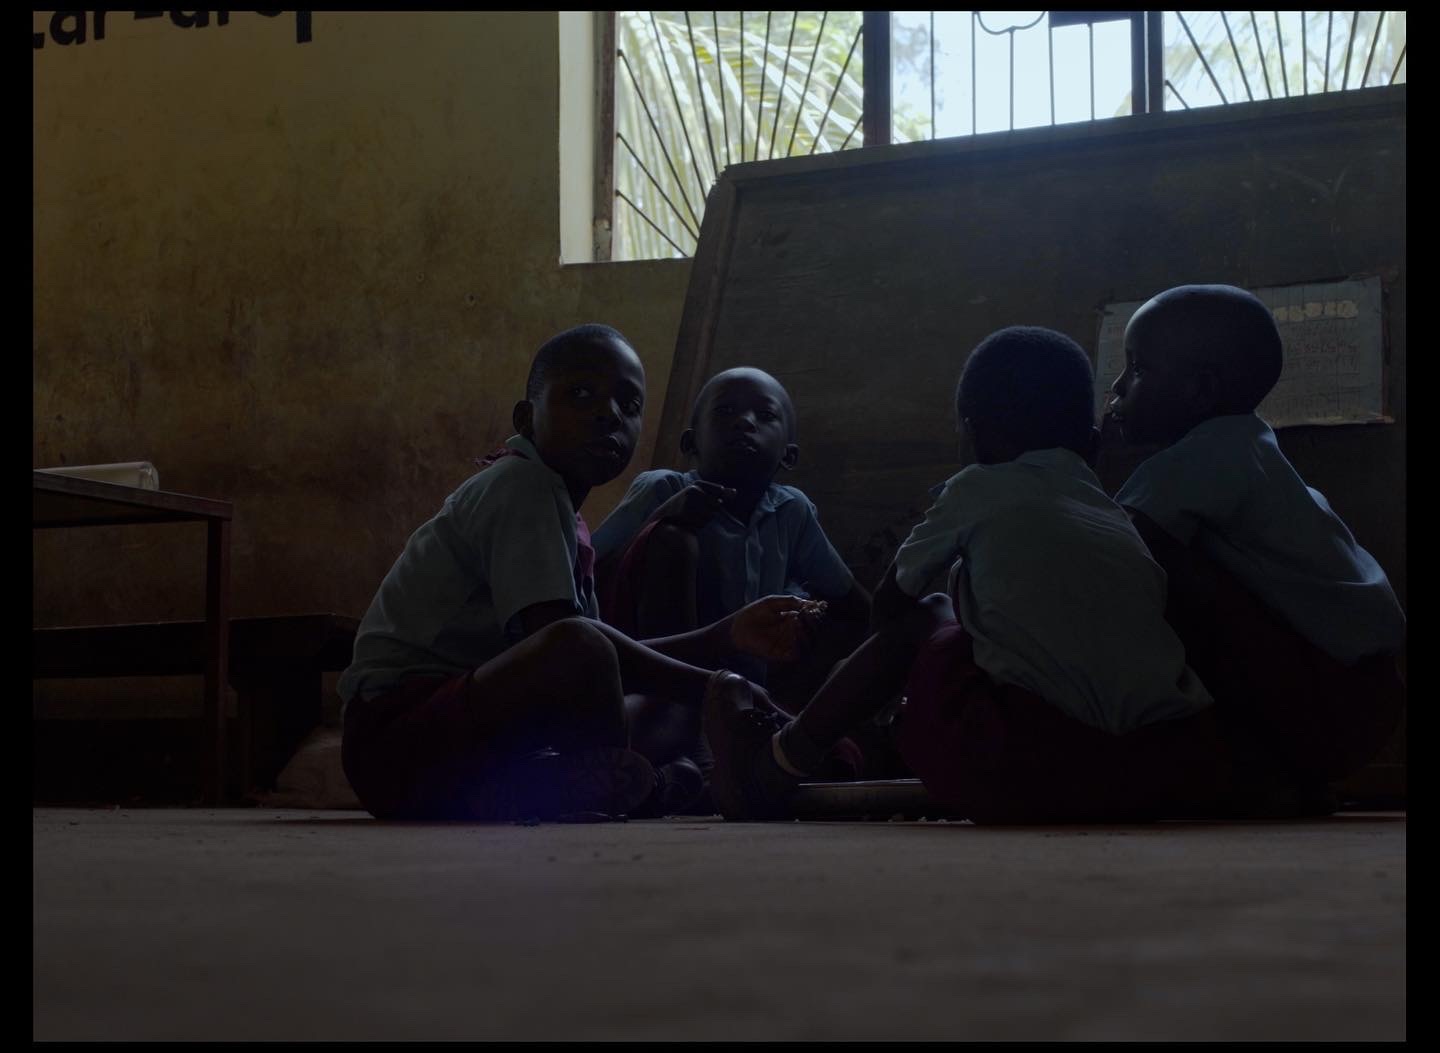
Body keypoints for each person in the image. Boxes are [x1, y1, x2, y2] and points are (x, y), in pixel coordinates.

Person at [704, 327, 1233, 824]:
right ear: (1091, 446)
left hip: (1031, 764)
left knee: (932, 615)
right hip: (1165, 767)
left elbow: (890, 605)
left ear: (972, 434)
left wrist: (862, 689)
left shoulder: (977, 486)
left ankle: (777, 764)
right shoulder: (1119, 519)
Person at [338, 324, 809, 822]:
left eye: (628, 406)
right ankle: (625, 780)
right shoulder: (521, 484)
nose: (608, 414)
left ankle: (604, 783)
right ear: (526, 418)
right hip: (397, 747)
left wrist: (725, 637)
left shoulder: (565, 515)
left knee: (665, 707)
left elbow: (600, 660)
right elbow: (570, 649)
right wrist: (719, 687)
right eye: (581, 395)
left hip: (471, 748)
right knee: (589, 652)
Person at [1107, 284, 1405, 794]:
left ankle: (1252, 767)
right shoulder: (1248, 445)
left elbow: (1112, 548)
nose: (1116, 386)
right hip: (1364, 692)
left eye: (1137, 370)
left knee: (1142, 565)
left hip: (1328, 696)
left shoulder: (1203, 456)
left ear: (1200, 391)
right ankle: (1264, 767)